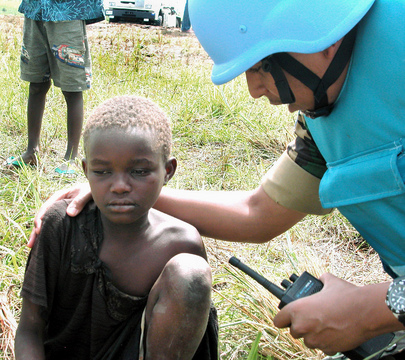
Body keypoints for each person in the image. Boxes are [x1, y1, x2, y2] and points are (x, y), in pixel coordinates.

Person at [28, 0, 405, 357]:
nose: (255, 90)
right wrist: (129, 190)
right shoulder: (324, 114)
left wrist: (372, 309)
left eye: (260, 66)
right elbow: (258, 212)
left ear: (324, 35)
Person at [15, 95, 218, 359]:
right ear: (86, 171)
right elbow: (30, 329)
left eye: (139, 172)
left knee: (191, 273)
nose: (120, 186)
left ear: (168, 171)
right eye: (102, 172)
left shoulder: (181, 244)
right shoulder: (62, 227)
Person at [6, 0, 104, 174]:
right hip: (35, 10)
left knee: (72, 87)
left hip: (67, 12)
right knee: (36, 83)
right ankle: (31, 152)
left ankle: (71, 157)